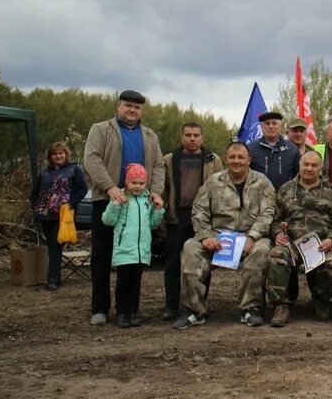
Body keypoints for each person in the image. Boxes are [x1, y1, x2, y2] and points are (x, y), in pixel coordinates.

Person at [173, 141, 276, 329]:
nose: (236, 161)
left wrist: (252, 237)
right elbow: (199, 211)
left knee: (261, 250)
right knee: (190, 247)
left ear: (249, 160)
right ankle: (193, 310)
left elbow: (267, 213)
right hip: (217, 239)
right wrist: (205, 237)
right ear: (226, 159)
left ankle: (250, 309)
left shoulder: (262, 182)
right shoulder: (213, 181)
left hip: (249, 237)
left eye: (241, 157)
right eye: (232, 157)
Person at [83, 89, 164, 326]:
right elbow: (91, 158)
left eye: (137, 107)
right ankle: (100, 308)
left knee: (133, 259)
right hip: (107, 200)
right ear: (118, 107)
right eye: (128, 105)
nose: (132, 110)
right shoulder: (101, 129)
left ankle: (128, 309)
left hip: (139, 203)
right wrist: (110, 187)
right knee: (102, 254)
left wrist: (156, 192)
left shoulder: (150, 136)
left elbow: (159, 166)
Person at [266, 151, 332, 327]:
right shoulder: (286, 189)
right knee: (275, 256)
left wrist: (331, 239)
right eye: (306, 164)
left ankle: (321, 299)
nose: (309, 168)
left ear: (321, 168)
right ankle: (281, 305)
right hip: (291, 244)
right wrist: (277, 233)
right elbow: (275, 219)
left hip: (320, 243)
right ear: (300, 165)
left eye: (314, 165)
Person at [160, 122, 223, 321]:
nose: (192, 139)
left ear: (202, 138)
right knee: (172, 263)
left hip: (204, 218)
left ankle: (199, 304)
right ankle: (171, 306)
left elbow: (221, 190)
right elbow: (164, 188)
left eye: (196, 135)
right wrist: (162, 215)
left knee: (203, 261)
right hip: (178, 216)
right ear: (182, 137)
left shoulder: (213, 160)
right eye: (188, 135)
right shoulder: (169, 160)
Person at [102, 164, 165, 328]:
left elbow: (152, 224)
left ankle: (134, 311)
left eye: (141, 183)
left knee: (136, 282)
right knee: (123, 282)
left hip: (141, 250)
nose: (137, 187)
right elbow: (107, 220)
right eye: (134, 183)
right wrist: (115, 204)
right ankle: (122, 313)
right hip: (124, 249)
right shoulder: (120, 198)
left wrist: (158, 210)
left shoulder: (147, 200)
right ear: (127, 182)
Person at [30, 142, 88, 290]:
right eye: (54, 154)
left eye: (61, 153)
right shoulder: (44, 173)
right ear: (50, 157)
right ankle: (55, 277)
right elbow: (35, 192)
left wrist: (71, 204)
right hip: (45, 215)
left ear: (66, 154)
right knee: (51, 246)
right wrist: (35, 208)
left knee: (56, 245)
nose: (58, 156)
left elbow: (83, 189)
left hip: (64, 215)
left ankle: (53, 280)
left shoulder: (74, 169)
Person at [247, 111, 300, 190]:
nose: (271, 126)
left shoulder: (292, 149)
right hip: (259, 197)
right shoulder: (251, 149)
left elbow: (298, 175)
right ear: (262, 127)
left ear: (280, 126)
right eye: (267, 123)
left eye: (274, 123)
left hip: (286, 197)